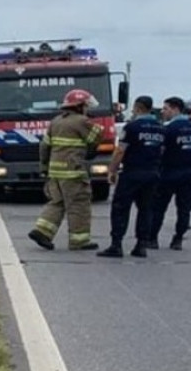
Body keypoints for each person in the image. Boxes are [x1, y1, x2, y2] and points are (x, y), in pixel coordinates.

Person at [28, 89, 103, 251]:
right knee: (79, 205)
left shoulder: (56, 121)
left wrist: (44, 167)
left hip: (55, 171)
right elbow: (95, 140)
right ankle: (79, 240)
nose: (87, 109)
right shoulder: (82, 121)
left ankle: (42, 231)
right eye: (86, 106)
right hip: (73, 172)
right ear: (80, 106)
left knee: (57, 202)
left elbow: (44, 146)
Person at [98, 96, 163, 258]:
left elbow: (120, 150)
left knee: (120, 208)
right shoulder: (160, 128)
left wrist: (111, 171)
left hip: (132, 173)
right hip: (152, 173)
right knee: (146, 209)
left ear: (138, 108)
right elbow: (162, 151)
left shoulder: (132, 127)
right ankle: (141, 245)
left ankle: (116, 245)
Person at [148, 96, 191, 250]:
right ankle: (178, 239)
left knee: (159, 207)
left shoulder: (167, 129)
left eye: (166, 109)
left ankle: (152, 239)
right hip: (188, 174)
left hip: (168, 172)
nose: (163, 112)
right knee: (184, 209)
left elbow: (160, 151)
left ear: (175, 109)